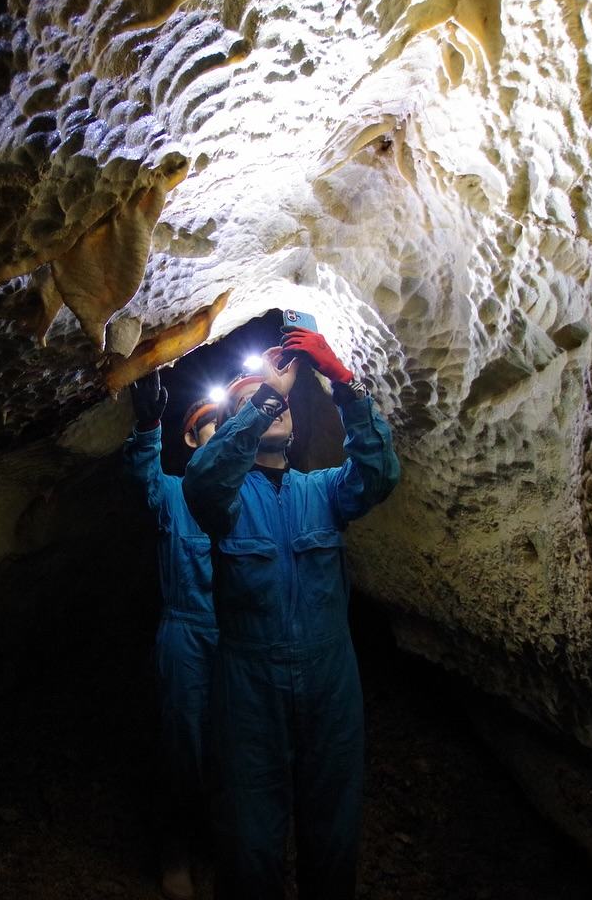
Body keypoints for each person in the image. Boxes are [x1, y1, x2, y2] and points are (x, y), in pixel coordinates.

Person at [182, 329, 400, 900]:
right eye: (254, 400)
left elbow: (380, 475)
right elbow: (204, 480)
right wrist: (265, 398)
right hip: (249, 684)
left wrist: (348, 389)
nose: (272, 403)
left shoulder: (325, 491)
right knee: (251, 839)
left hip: (330, 677)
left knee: (333, 828)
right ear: (242, 424)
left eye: (279, 400)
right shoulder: (224, 502)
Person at [123, 369, 221, 900]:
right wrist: (147, 425)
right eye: (209, 424)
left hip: (240, 636)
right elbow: (142, 479)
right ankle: (176, 851)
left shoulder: (250, 499)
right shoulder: (176, 494)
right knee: (182, 742)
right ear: (189, 437)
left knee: (236, 743)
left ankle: (223, 840)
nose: (220, 432)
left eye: (228, 425)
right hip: (186, 632)